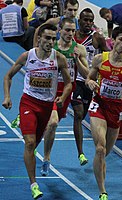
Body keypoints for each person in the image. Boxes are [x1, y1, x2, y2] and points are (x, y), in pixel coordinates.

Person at [2, 23, 72, 199]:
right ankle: (34, 184)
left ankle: (34, 162)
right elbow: (8, 76)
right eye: (47, 38)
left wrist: (63, 97)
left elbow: (69, 83)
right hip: (29, 103)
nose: (50, 41)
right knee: (30, 143)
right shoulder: (28, 56)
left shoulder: (59, 59)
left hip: (46, 106)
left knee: (35, 144)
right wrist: (7, 97)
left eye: (53, 39)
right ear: (39, 38)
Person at [85, 26, 122, 200]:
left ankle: (100, 177)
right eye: (121, 39)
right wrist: (90, 83)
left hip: (118, 111)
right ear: (113, 40)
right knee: (100, 148)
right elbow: (89, 78)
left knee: (104, 153)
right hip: (99, 106)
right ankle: (103, 191)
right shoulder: (100, 59)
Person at [40, 18, 89, 176]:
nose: (70, 33)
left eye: (73, 31)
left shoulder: (79, 49)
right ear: (59, 30)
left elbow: (86, 74)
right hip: (52, 90)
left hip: (68, 90)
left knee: (54, 123)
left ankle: (35, 145)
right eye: (67, 30)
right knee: (53, 123)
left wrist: (76, 60)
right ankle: (46, 158)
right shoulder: (51, 46)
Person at [72, 8, 109, 166]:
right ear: (79, 20)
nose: (88, 23)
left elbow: (108, 56)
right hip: (75, 81)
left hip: (90, 81)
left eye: (90, 20)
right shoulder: (71, 36)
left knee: (84, 114)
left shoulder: (97, 38)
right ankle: (80, 153)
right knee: (78, 114)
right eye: (85, 20)